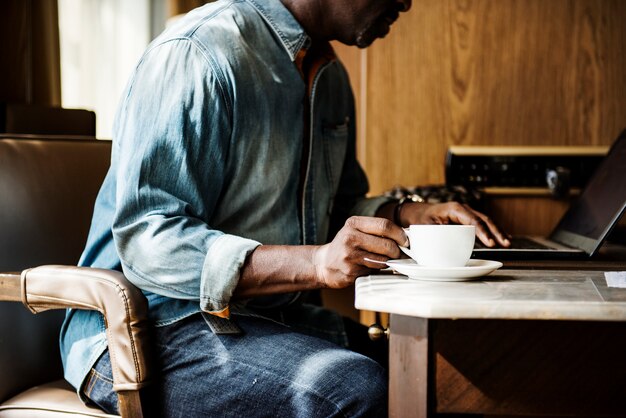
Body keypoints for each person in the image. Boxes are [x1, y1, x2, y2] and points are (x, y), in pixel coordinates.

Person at [60, 0, 510, 416]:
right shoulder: (197, 52)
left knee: (435, 370)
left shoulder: (329, 77)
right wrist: (314, 263)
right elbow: (148, 240)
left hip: (258, 319)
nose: (407, 2)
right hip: (143, 330)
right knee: (359, 390)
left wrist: (403, 214)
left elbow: (328, 214)